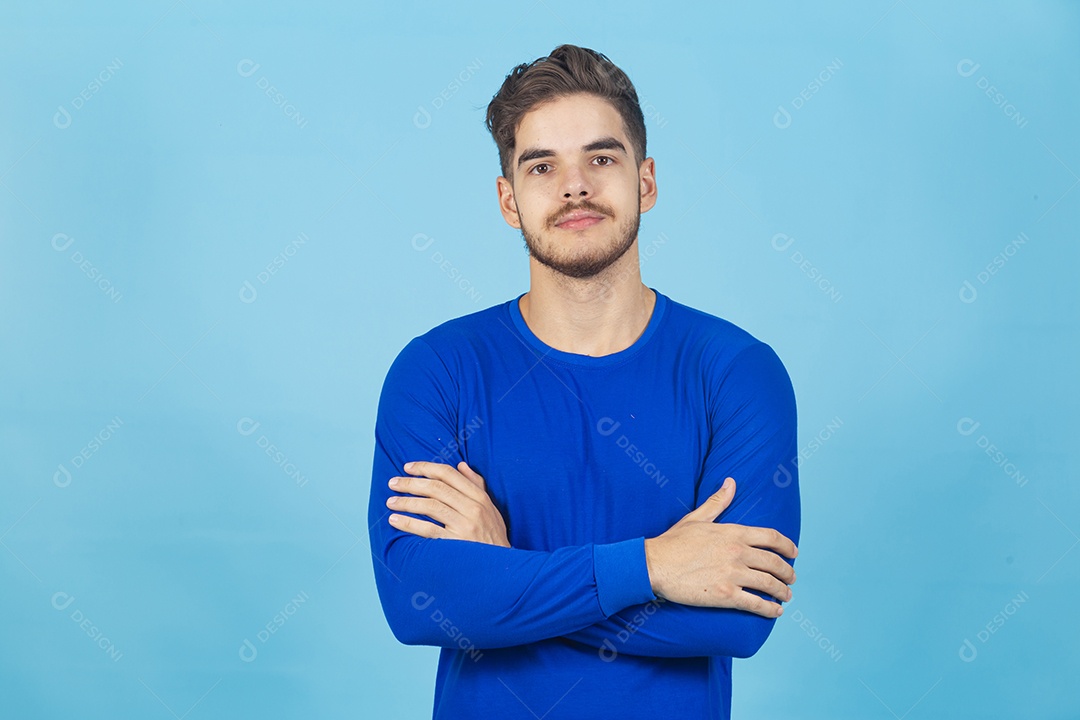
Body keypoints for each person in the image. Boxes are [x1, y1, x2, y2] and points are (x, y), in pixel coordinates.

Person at [368, 43, 801, 720]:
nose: (575, 186)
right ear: (509, 200)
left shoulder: (736, 372)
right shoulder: (438, 370)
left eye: (601, 158)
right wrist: (654, 568)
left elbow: (738, 619)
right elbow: (418, 602)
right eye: (542, 166)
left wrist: (503, 567)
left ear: (646, 182)